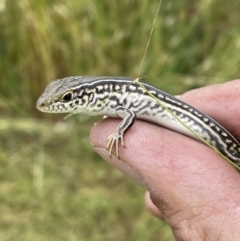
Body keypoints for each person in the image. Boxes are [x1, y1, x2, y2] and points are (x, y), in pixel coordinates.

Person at [90, 79, 240, 240]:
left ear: (92, 96)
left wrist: (119, 133)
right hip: (204, 129)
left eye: (67, 98)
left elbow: (130, 114)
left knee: (231, 156)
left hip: (212, 134)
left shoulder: (117, 101)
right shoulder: (115, 100)